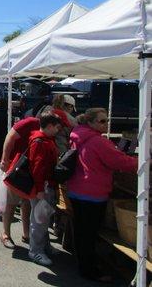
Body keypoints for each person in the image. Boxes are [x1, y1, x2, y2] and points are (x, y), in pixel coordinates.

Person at [67, 108, 137, 282]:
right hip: (92, 192)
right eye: (102, 121)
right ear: (90, 122)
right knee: (89, 232)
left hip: (77, 189)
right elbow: (119, 161)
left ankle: (83, 264)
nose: (106, 124)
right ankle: (88, 270)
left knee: (82, 230)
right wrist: (141, 161)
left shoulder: (77, 134)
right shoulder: (98, 141)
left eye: (106, 120)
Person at [0, 114, 44, 248]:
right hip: (16, 166)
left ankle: (27, 234)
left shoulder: (53, 129)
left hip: (31, 169)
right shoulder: (31, 122)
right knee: (11, 202)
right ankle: (5, 234)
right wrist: (4, 159)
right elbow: (10, 137)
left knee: (27, 202)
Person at [27, 114, 62, 266]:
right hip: (42, 187)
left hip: (45, 185)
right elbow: (37, 168)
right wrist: (40, 188)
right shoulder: (40, 141)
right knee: (39, 220)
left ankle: (43, 246)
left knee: (43, 218)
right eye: (56, 127)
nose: (58, 130)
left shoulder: (44, 139)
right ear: (49, 126)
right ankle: (35, 251)